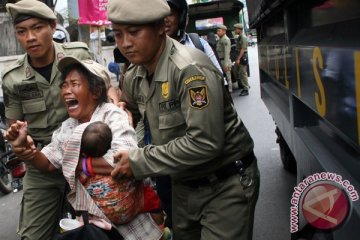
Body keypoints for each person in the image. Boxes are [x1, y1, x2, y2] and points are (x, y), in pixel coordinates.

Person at [106, 0, 260, 239]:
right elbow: (133, 110)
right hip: (183, 186)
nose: (125, 43)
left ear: (160, 26)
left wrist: (138, 161)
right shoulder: (135, 74)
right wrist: (117, 106)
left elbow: (205, 143)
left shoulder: (189, 69)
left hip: (224, 185)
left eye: (134, 32)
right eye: (118, 34)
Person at [6, 56, 164, 240]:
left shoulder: (113, 116)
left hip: (132, 225)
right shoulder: (68, 127)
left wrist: (79, 164)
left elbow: (123, 161)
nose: (66, 91)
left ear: (96, 91)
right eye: (64, 85)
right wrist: (28, 151)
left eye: (74, 84)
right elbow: (48, 163)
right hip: (95, 222)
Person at [1, 1, 93, 239]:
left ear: (53, 27)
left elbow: (102, 96)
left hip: (89, 158)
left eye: (37, 28)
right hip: (43, 162)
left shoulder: (79, 55)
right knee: (33, 236)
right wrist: (18, 140)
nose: (30, 37)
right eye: (22, 32)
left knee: (111, 228)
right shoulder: (13, 79)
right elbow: (15, 126)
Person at [234, 23, 250, 96]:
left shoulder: (243, 37)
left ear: (239, 30)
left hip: (242, 56)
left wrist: (238, 59)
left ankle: (246, 89)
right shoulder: (239, 37)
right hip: (240, 56)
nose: (235, 30)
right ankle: (246, 85)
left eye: (236, 29)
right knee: (239, 72)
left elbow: (243, 49)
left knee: (242, 73)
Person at [216, 24, 233, 92]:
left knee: (228, 77)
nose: (217, 32)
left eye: (219, 31)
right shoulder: (220, 39)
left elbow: (227, 53)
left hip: (224, 61)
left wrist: (226, 65)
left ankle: (230, 90)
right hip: (221, 61)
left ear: (224, 31)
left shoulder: (225, 40)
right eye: (217, 31)